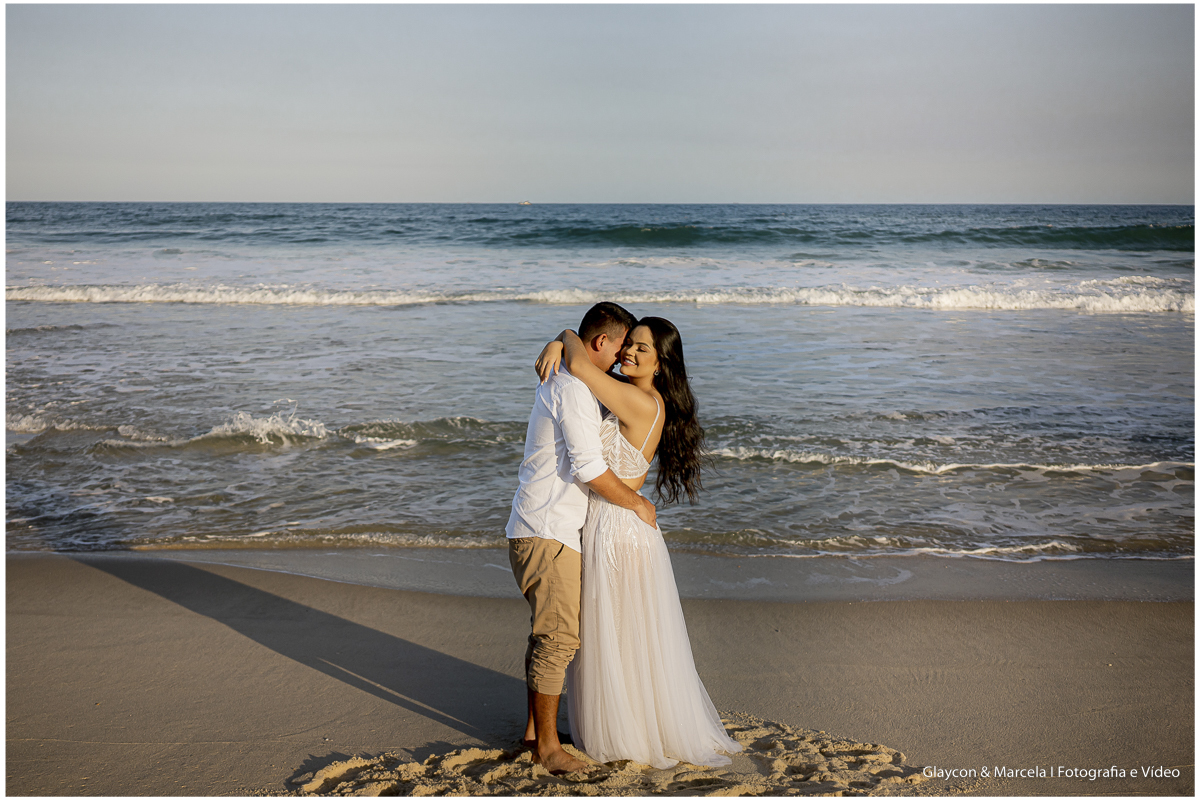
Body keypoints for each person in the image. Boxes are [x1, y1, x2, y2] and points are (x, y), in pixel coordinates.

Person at [535, 317, 742, 769]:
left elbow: (581, 362)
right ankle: (625, 725)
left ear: (661, 365)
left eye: (641, 350)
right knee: (619, 635)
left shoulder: (640, 401)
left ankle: (626, 735)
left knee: (620, 636)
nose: (628, 353)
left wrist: (564, 335)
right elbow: (586, 366)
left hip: (617, 528)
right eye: (629, 345)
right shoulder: (635, 393)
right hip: (615, 523)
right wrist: (561, 342)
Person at [506, 301, 656, 775]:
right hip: (549, 531)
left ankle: (535, 734)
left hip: (536, 527)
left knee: (547, 634)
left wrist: (562, 335)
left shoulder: (572, 382)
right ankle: (549, 749)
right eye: (619, 346)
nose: (620, 357)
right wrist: (637, 503)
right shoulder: (572, 389)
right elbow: (590, 469)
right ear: (600, 342)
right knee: (559, 637)